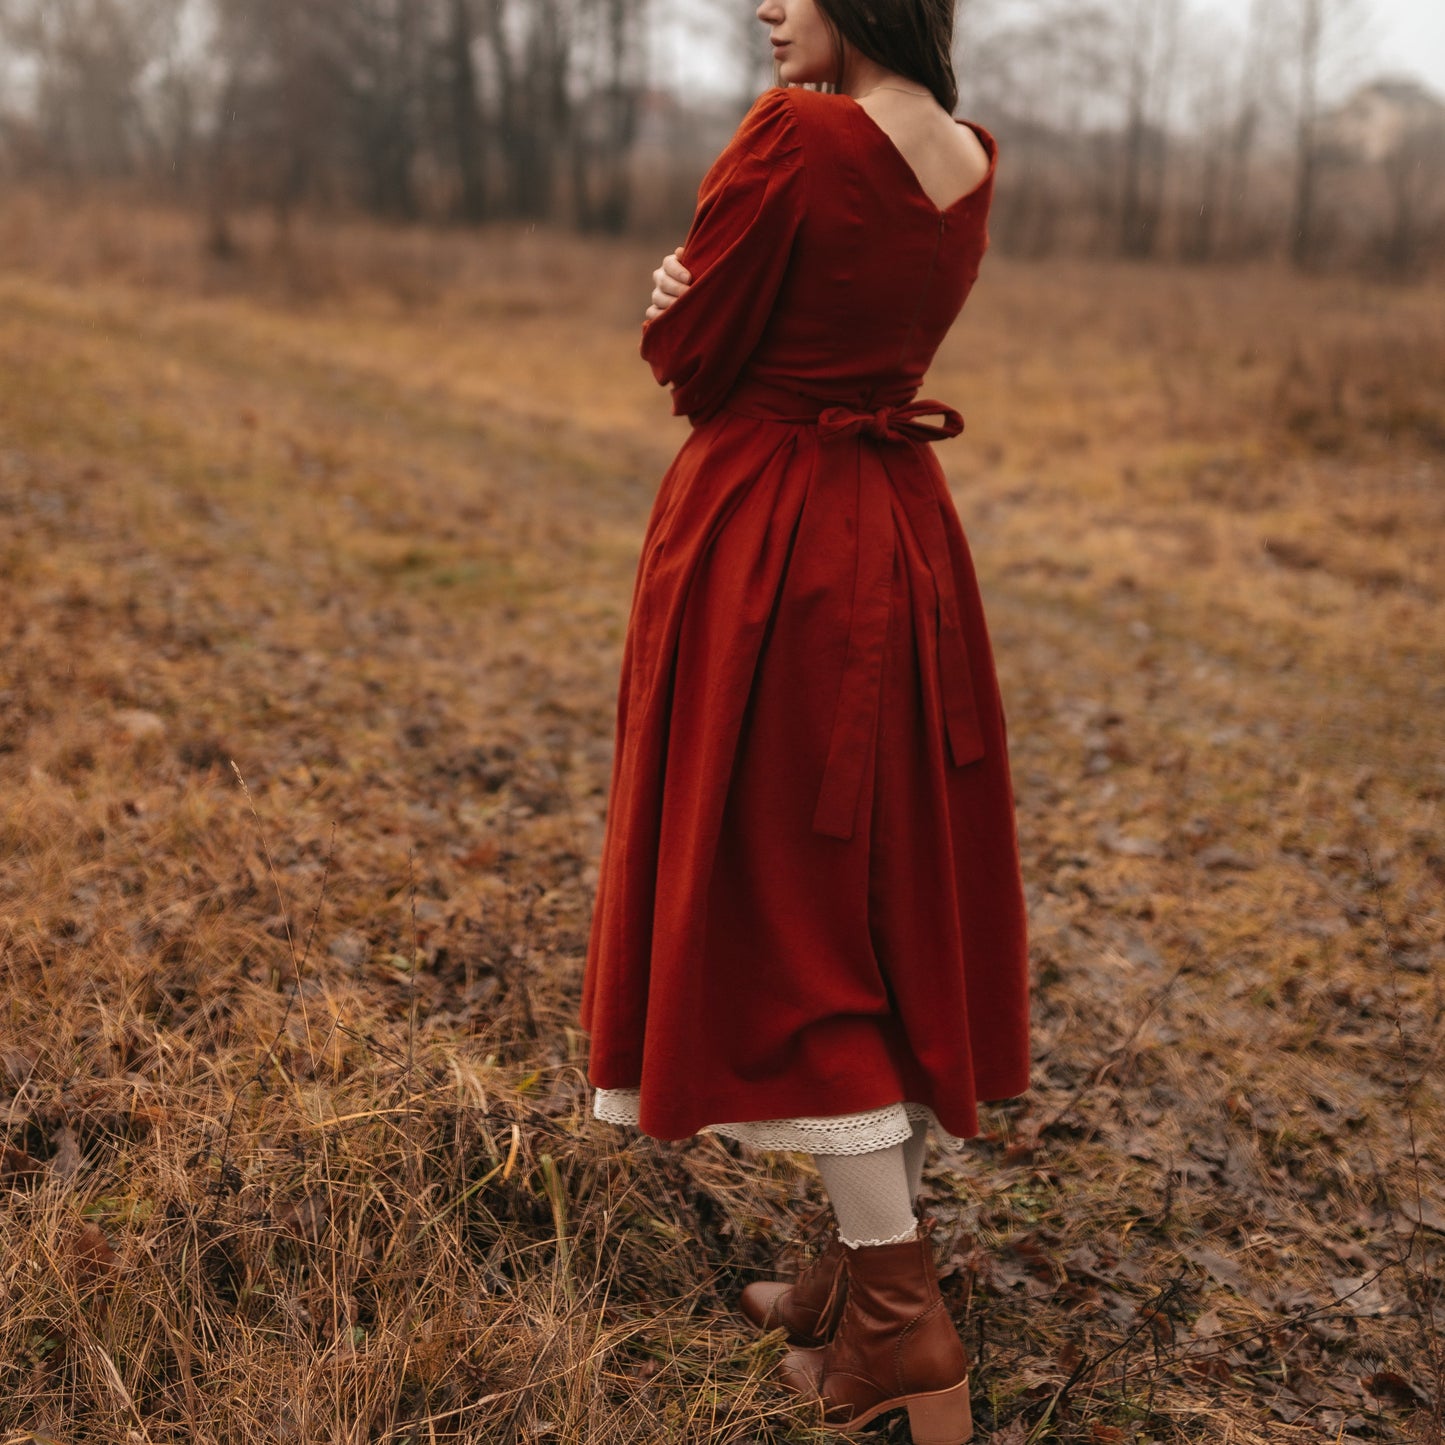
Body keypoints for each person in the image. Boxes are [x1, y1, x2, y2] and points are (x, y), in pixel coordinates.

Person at [579, 0, 1031, 1439]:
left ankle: (900, 1323)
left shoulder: (800, 135)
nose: (766, 7)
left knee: (793, 914)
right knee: (872, 897)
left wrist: (665, 302)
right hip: (896, 540)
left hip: (772, 544)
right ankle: (850, 1274)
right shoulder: (963, 154)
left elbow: (691, 361)